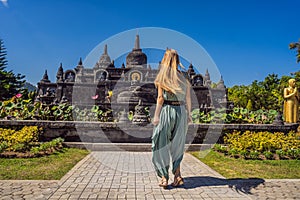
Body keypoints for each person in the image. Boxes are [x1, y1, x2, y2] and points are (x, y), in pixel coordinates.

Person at [152, 49, 192, 189]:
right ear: (177, 60)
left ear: (165, 59)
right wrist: (189, 114)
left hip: (167, 111)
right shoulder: (184, 76)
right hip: (181, 111)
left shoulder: (162, 76)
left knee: (161, 143)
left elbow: (160, 98)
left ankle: (164, 177)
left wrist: (156, 115)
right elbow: (188, 98)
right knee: (177, 145)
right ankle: (178, 176)